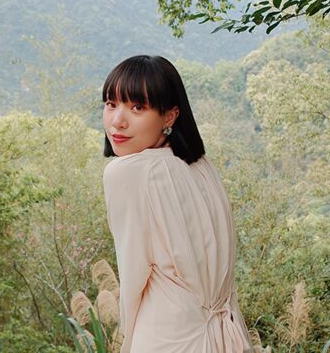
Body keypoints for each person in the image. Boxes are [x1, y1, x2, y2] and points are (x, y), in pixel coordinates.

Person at [102, 55, 252, 352]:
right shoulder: (200, 166)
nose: (118, 120)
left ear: (169, 117)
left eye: (137, 107)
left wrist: (127, 341)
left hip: (165, 337)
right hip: (225, 337)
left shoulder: (127, 172)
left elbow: (133, 279)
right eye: (111, 104)